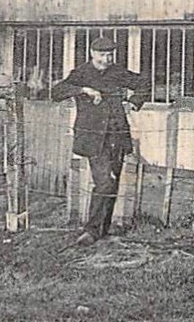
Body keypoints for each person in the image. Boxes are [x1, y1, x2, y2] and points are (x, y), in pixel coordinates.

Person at [52, 36, 149, 245]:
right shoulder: (81, 73)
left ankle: (102, 231)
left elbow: (143, 82)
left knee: (112, 184)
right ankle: (92, 230)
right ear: (92, 54)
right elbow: (56, 92)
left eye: (110, 54)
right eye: (103, 55)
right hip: (94, 138)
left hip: (117, 135)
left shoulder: (117, 72)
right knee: (104, 182)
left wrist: (133, 103)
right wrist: (82, 89)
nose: (107, 59)